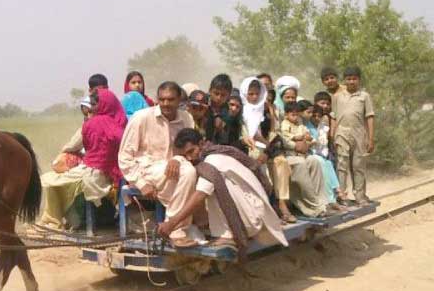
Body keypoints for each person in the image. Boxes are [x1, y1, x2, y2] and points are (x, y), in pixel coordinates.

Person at [156, 128, 288, 257]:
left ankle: (228, 235)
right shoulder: (218, 152)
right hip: (255, 213)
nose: (190, 158)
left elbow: (199, 196)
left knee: (209, 186)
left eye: (191, 151)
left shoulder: (211, 163)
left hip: (250, 221)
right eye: (185, 155)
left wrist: (172, 223)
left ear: (201, 144)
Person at [118, 81, 197, 244]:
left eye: (171, 100)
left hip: (176, 166)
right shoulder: (141, 118)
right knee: (187, 174)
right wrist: (141, 183)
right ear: (157, 99)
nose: (166, 104)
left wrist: (177, 159)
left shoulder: (186, 119)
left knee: (195, 174)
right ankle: (176, 229)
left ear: (179, 100)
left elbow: (190, 149)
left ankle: (175, 224)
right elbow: (125, 156)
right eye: (162, 100)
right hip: (146, 170)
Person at [39, 89, 124, 229]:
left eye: (94, 105)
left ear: (103, 105)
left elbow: (83, 149)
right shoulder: (121, 122)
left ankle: (54, 221)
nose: (92, 109)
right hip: (114, 173)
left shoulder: (93, 124)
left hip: (96, 172)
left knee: (51, 180)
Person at [279, 102, 336, 217]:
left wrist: (307, 142)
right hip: (289, 155)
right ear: (286, 115)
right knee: (300, 164)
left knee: (314, 161)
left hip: (303, 153)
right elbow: (284, 139)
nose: (295, 117)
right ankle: (314, 207)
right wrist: (296, 145)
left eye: (296, 115)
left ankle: (323, 203)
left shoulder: (300, 123)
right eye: (292, 115)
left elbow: (309, 138)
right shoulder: (284, 124)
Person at [332, 66, 376, 206]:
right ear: (344, 80)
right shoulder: (338, 96)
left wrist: (370, 138)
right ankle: (342, 195)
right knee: (342, 165)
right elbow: (333, 117)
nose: (351, 82)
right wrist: (332, 134)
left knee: (358, 165)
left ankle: (360, 195)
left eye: (354, 79)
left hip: (359, 133)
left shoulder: (364, 96)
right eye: (348, 79)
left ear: (359, 80)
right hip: (342, 132)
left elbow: (369, 117)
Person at [301, 102, 345, 203]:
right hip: (310, 154)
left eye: (319, 116)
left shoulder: (322, 127)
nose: (316, 118)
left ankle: (335, 193)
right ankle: (332, 197)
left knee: (328, 163)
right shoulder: (306, 126)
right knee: (323, 163)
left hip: (320, 154)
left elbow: (323, 145)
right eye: (314, 115)